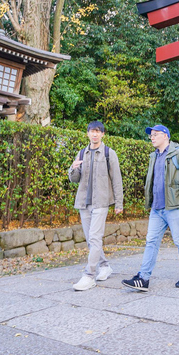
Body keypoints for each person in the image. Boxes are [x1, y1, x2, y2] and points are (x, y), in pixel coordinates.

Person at [122, 124, 179, 292]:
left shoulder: (178, 153)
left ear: (165, 135)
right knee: (151, 241)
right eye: (151, 135)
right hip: (157, 209)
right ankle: (143, 278)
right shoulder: (154, 156)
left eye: (155, 134)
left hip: (174, 207)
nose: (152, 137)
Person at [69, 121, 123, 291]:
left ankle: (89, 275)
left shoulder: (109, 153)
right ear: (87, 134)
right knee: (91, 240)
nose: (94, 134)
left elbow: (117, 179)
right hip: (83, 202)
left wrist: (118, 203)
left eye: (98, 132)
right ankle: (105, 266)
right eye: (92, 131)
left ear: (102, 134)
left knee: (94, 237)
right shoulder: (81, 153)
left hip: (101, 202)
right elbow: (74, 179)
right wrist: (73, 168)